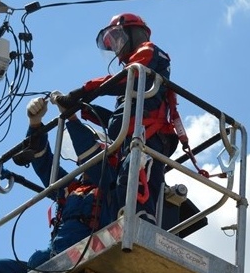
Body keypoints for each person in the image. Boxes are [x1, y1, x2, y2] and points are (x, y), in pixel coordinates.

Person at [54, 12, 178, 225]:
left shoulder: (147, 53)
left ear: (134, 33)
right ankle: (128, 223)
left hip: (149, 137)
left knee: (138, 183)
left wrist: (84, 90)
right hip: (132, 139)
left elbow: (130, 77)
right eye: (113, 43)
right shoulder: (132, 88)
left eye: (118, 38)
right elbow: (119, 120)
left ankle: (140, 225)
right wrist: (84, 108)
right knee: (124, 183)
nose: (116, 47)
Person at [0, 96, 117, 273]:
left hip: (86, 255)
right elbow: (46, 166)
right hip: (52, 260)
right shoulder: (71, 188)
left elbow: (93, 158)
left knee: (38, 261)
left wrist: (71, 118)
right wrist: (35, 124)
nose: (80, 162)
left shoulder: (111, 185)